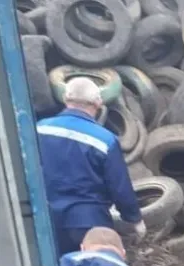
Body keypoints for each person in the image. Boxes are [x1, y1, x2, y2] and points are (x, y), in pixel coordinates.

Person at [36, 77, 145, 256]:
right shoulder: (104, 140)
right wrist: (134, 218)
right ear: (98, 102)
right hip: (89, 222)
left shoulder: (40, 129)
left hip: (47, 220)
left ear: (65, 98)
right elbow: (119, 186)